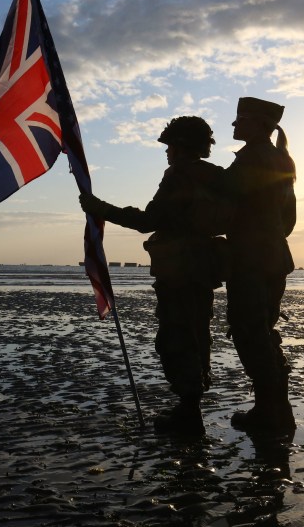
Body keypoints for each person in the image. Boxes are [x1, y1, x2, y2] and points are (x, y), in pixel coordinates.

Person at [79, 116, 230, 436]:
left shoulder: (179, 175)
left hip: (179, 270)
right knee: (198, 335)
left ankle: (189, 414)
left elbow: (148, 221)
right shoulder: (216, 175)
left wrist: (100, 208)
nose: (167, 152)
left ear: (180, 146)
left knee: (176, 338)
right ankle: (192, 408)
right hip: (204, 270)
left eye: (170, 145)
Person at [217, 96, 297, 438]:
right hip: (274, 257)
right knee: (265, 333)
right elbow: (289, 218)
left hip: (250, 259)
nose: (234, 126)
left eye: (241, 120)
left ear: (259, 125)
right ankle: (279, 410)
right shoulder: (281, 158)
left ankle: (269, 412)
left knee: (251, 335)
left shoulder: (252, 157)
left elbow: (225, 195)